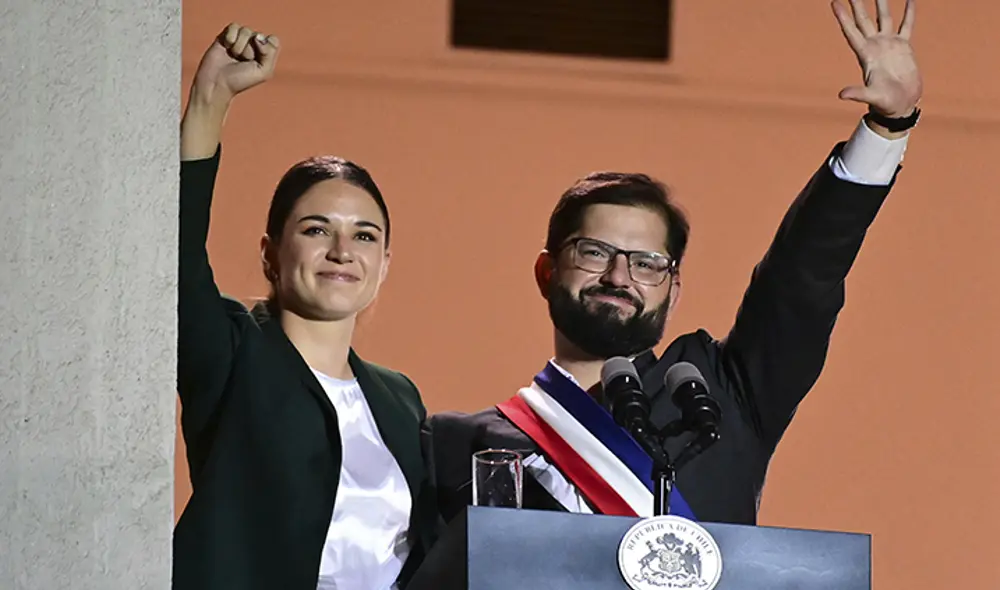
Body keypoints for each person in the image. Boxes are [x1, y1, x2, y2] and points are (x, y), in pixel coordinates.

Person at [424, 0, 922, 525]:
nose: (619, 276)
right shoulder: (458, 444)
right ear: (547, 272)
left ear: (672, 289)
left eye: (646, 263)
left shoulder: (716, 398)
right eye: (595, 252)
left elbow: (799, 279)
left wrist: (886, 127)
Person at [175, 23, 435, 590]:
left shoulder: (400, 398)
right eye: (317, 229)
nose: (343, 250)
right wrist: (210, 99)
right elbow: (172, 255)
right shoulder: (231, 352)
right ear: (270, 254)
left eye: (365, 236)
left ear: (384, 264)